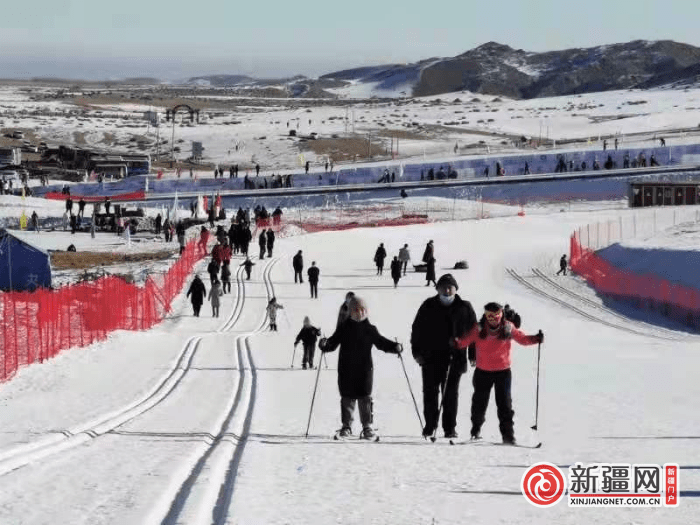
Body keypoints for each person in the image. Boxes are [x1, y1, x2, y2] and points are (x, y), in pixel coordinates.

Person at [453, 302, 543, 444]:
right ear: (485, 315)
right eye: (490, 315)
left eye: (496, 315)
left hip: (503, 372)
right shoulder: (479, 328)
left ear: (501, 314)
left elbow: (522, 339)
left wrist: (535, 339)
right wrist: (456, 343)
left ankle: (508, 436)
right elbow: (465, 341)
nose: (493, 319)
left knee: (505, 405)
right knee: (479, 404)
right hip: (483, 372)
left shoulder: (508, 327)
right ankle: (475, 430)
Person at [319, 296, 403, 439]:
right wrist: (324, 344)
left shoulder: (370, 329)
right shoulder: (344, 328)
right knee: (347, 397)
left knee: (365, 397)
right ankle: (346, 426)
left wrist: (395, 347)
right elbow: (332, 344)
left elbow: (381, 342)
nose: (360, 313)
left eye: (363, 310)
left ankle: (367, 427)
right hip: (346, 369)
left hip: (365, 369)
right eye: (356, 310)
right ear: (351, 312)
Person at [411, 273, 477, 439]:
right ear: (438, 288)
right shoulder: (428, 305)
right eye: (443, 287)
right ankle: (430, 426)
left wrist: (473, 355)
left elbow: (474, 332)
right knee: (430, 393)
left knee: (450, 394)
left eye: (450, 287)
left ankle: (449, 428)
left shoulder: (465, 307)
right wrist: (416, 352)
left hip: (456, 357)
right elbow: (417, 329)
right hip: (430, 357)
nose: (447, 290)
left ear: (456, 289)